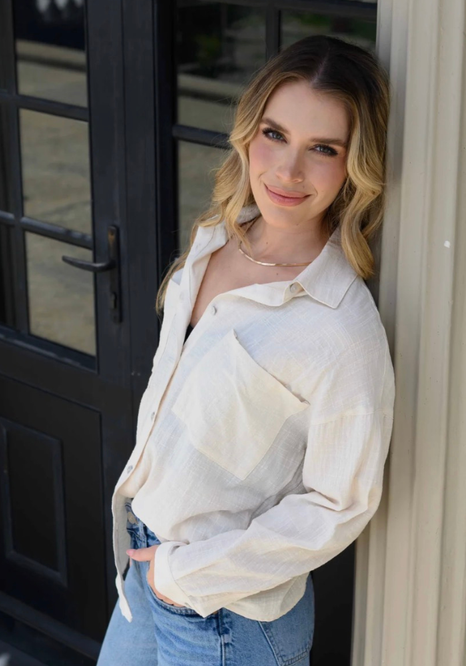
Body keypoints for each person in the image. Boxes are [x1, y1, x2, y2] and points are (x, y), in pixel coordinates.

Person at [96, 34, 395, 666]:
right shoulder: (215, 240)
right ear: (247, 133)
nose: (288, 171)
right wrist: (159, 571)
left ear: (354, 165)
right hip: (148, 564)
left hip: (226, 617)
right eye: (274, 134)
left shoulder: (340, 326)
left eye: (323, 148)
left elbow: (339, 505)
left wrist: (181, 575)